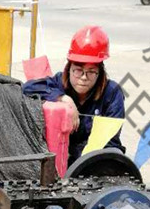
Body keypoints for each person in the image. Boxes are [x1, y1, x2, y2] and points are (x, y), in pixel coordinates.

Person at [22, 26, 126, 165]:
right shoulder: (59, 82)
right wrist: (64, 98)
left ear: (100, 73)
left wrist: (78, 160)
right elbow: (28, 87)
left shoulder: (112, 93)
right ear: (69, 69)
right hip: (61, 153)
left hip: (95, 157)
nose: (83, 77)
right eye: (78, 70)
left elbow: (110, 139)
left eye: (91, 72)